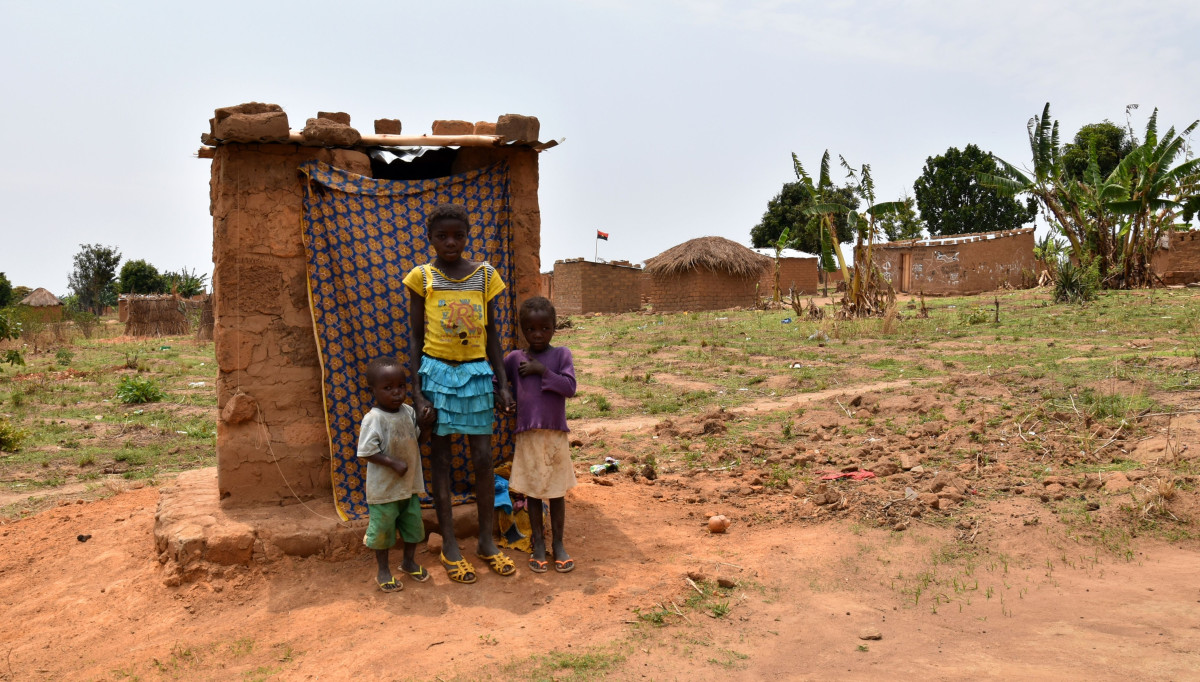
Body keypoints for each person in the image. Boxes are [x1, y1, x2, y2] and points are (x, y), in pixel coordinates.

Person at [403, 203, 516, 584]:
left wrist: (503, 383)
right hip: (435, 374)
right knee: (441, 460)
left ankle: (486, 541)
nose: (450, 242)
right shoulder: (422, 277)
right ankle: (450, 543)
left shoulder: (485, 276)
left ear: (467, 237)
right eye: (442, 236)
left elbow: (494, 336)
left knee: (483, 459)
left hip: (477, 375)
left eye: (458, 236)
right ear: (430, 239)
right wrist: (417, 394)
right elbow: (416, 338)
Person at [503, 296, 578, 574]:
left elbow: (569, 387)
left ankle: (558, 543)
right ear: (522, 329)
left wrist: (542, 370)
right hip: (528, 436)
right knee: (534, 493)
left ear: (554, 327)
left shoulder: (561, 355)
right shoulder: (514, 359)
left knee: (556, 492)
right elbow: (498, 383)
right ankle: (537, 544)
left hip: (555, 436)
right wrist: (506, 399)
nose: (538, 335)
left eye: (544, 328)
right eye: (531, 329)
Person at [357, 357, 430, 592]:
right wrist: (392, 462)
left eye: (401, 386)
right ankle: (383, 571)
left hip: (408, 488)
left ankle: (408, 562)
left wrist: (427, 425)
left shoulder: (408, 412)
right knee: (383, 533)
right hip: (385, 491)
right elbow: (366, 451)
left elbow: (417, 440)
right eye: (388, 388)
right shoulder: (374, 419)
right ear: (374, 391)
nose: (396, 393)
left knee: (413, 528)